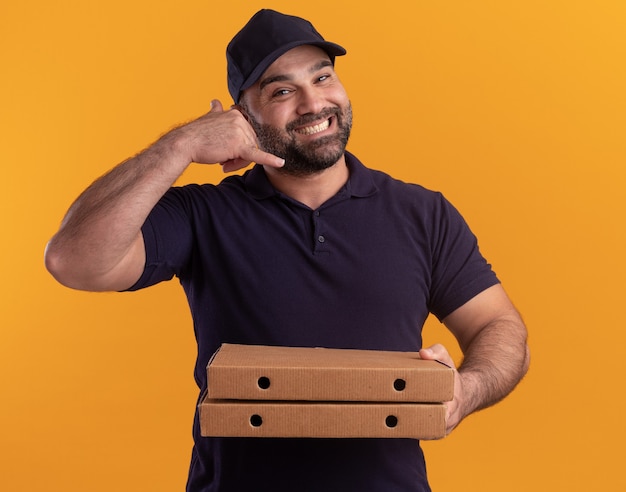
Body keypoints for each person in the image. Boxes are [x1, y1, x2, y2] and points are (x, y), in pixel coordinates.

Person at [44, 9, 530, 492]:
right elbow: (73, 260)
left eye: (323, 77)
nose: (314, 103)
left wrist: (466, 391)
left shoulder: (423, 214)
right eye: (282, 90)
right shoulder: (202, 214)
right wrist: (180, 144)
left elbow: (499, 326)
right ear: (244, 116)